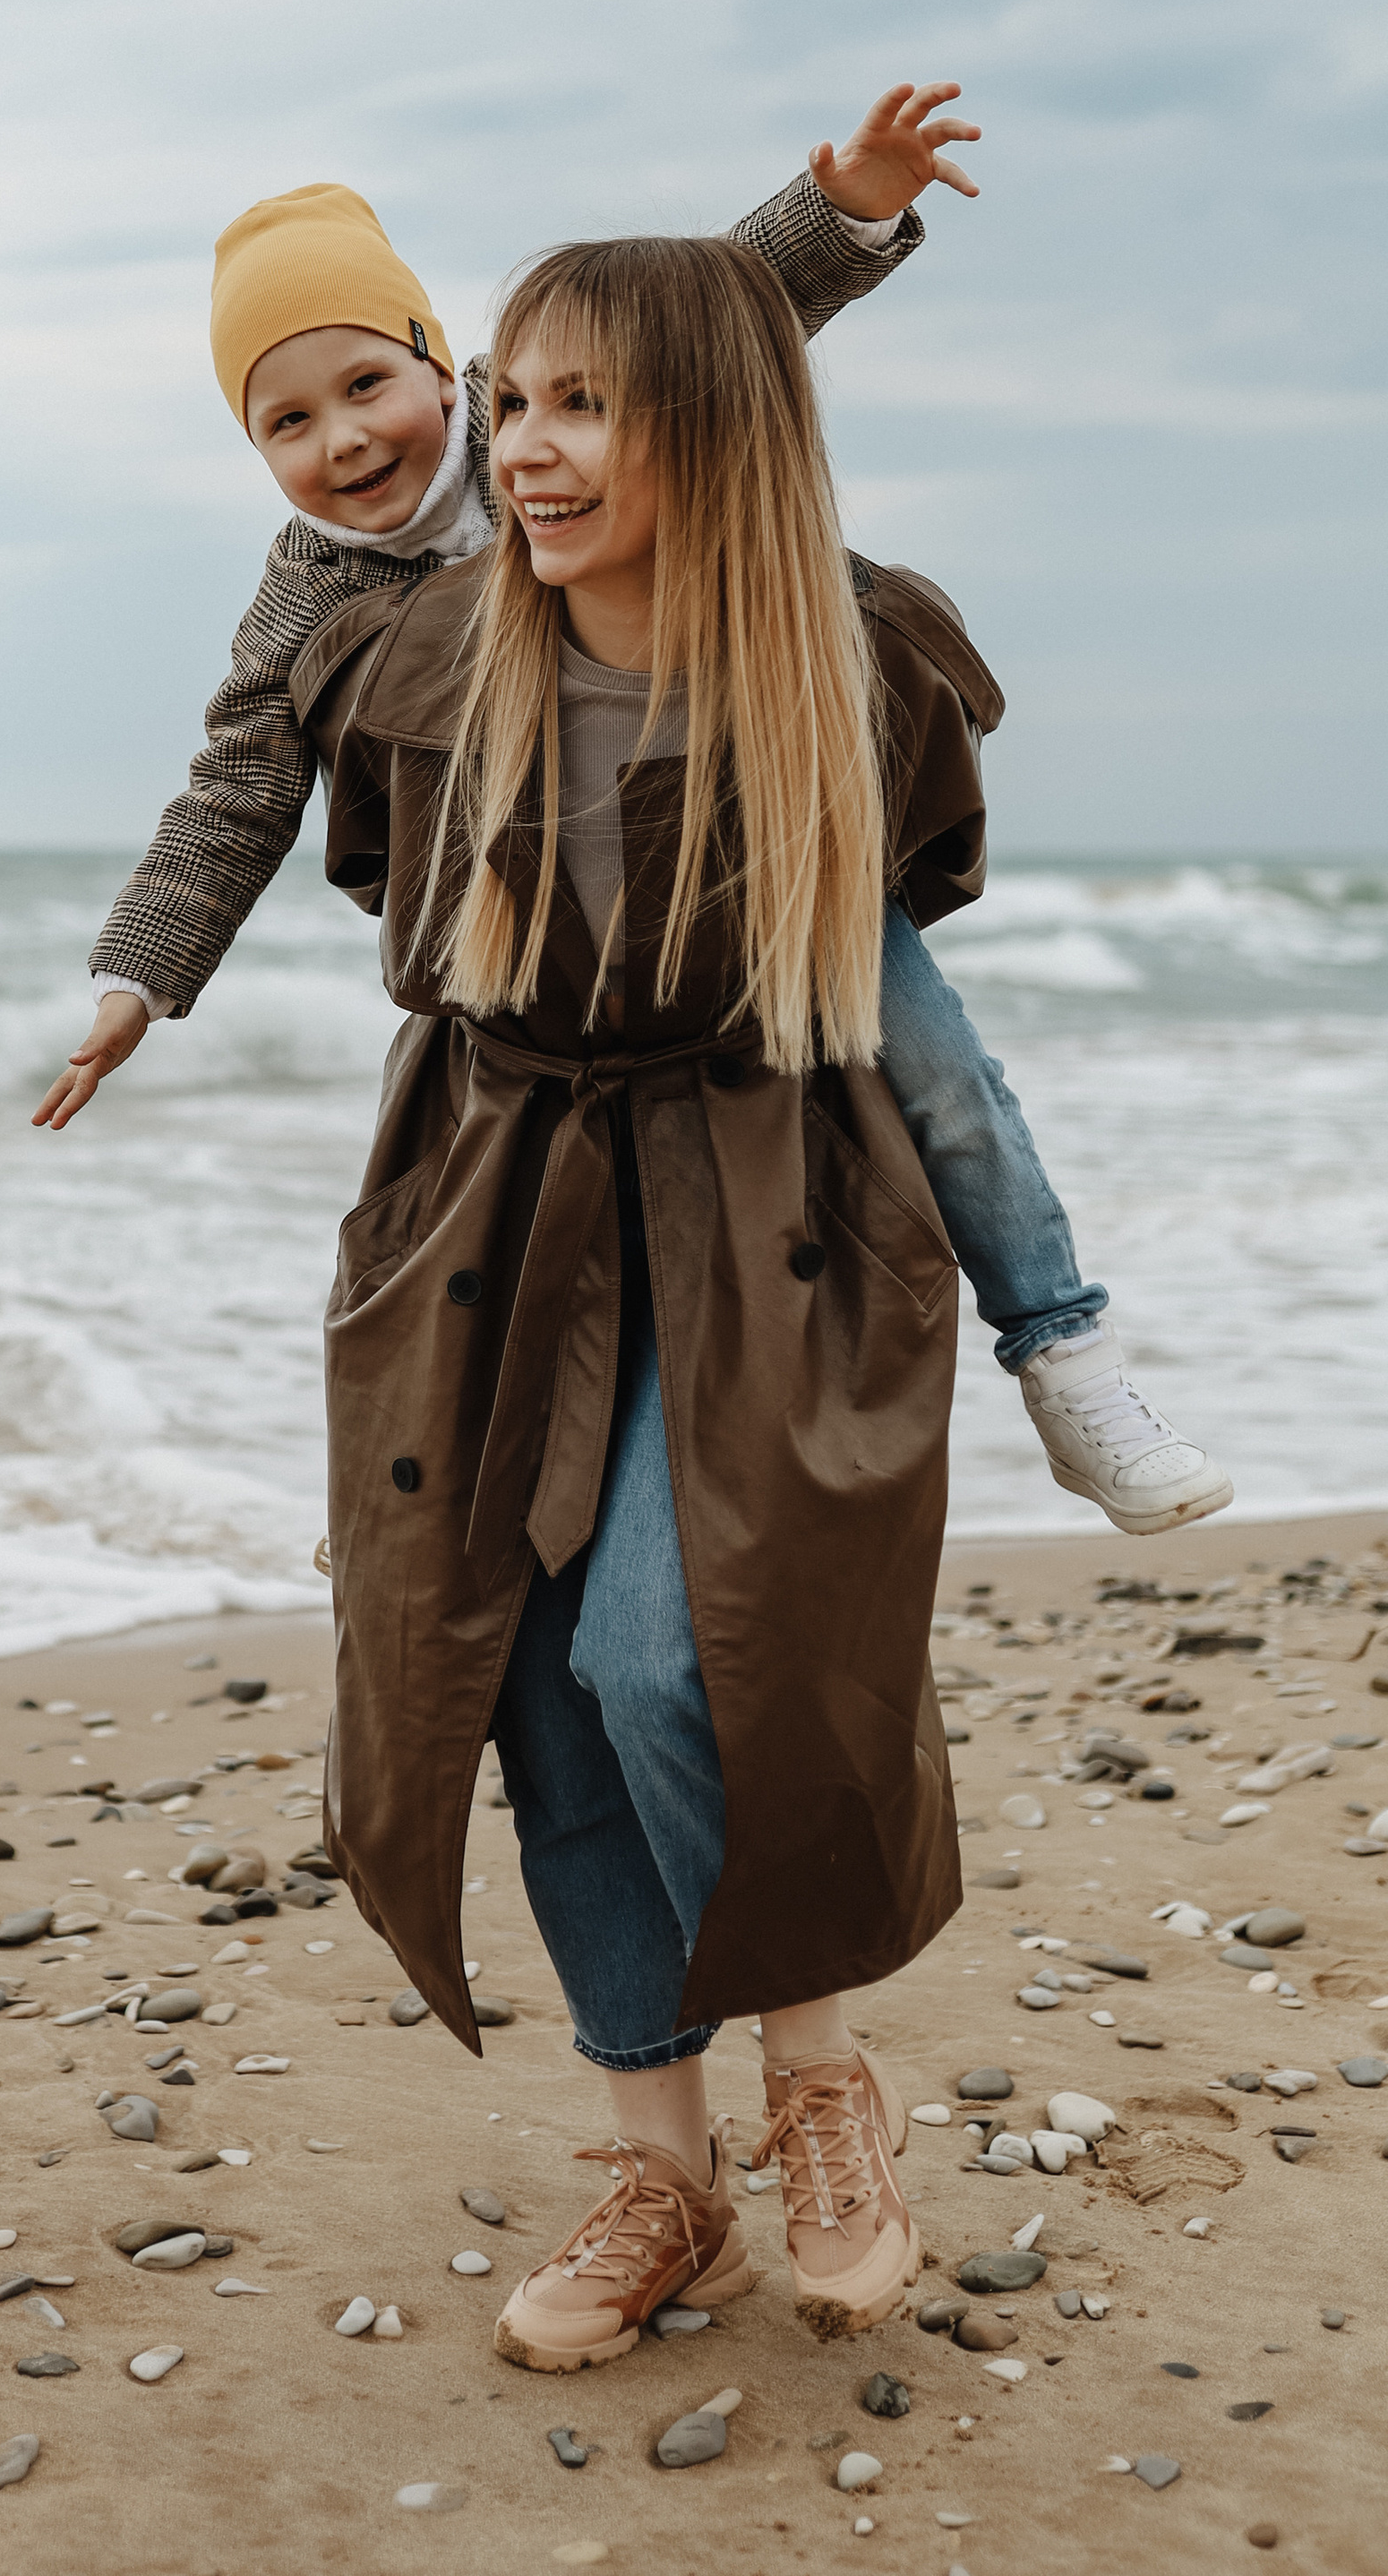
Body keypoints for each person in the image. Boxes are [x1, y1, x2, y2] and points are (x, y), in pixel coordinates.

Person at [35, 85, 1229, 1534]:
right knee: (464, 1198)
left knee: (940, 1074)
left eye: (365, 385)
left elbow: (732, 304)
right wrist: (139, 979)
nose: (342, 440)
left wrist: (850, 203)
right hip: (550, 912)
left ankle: (1066, 1354)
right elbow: (237, 787)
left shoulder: (545, 400)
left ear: (437, 360)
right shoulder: (314, 589)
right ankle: (422, 1506)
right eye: (284, 421)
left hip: (752, 833)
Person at [272, 227, 1025, 2364]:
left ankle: (815, 2081)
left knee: (675, 1659)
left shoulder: (848, 659)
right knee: (508, 1679)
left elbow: (918, 925)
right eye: (505, 402)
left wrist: (836, 211)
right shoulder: (411, 663)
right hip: (487, 1208)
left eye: (577, 403)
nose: (517, 447)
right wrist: (140, 973)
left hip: (756, 1194)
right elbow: (322, 843)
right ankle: (657, 2180)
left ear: (707, 419)